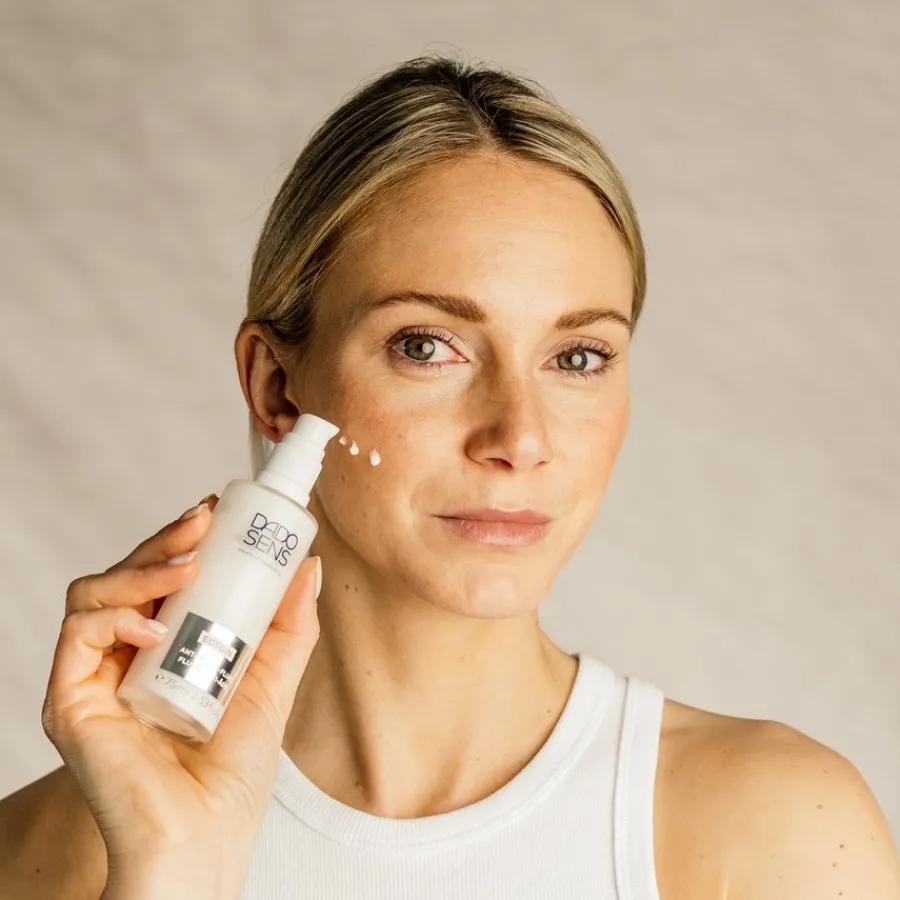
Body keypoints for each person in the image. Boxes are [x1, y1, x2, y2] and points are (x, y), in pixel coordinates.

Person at [1, 54, 898, 900]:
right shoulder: (45, 854)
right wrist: (169, 871)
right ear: (276, 387)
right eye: (428, 346)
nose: (519, 437)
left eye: (577, 357)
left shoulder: (777, 835)